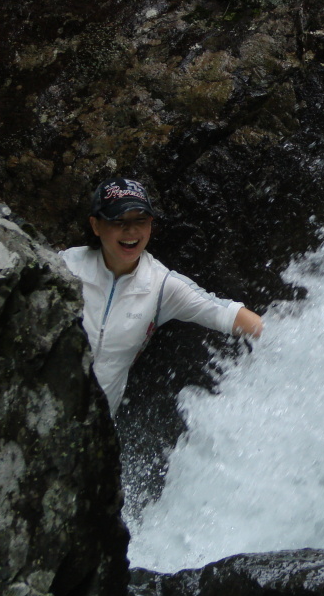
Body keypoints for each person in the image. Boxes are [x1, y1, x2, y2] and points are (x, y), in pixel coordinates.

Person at [60, 177, 263, 417]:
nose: (131, 230)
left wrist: (293, 343)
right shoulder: (64, 266)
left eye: (140, 220)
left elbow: (230, 315)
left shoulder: (162, 285)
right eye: (119, 220)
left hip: (93, 430)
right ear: (96, 225)